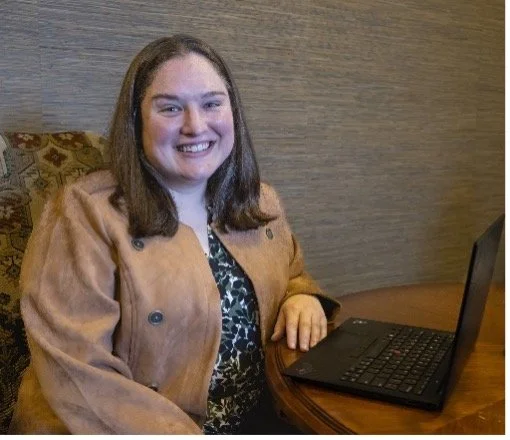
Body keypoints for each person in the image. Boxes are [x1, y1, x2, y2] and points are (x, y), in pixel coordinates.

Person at [9, 34, 340, 434]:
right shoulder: (82, 213)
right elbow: (76, 371)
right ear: (136, 121)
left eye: (212, 103)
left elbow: (291, 273)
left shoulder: (259, 202)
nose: (195, 125)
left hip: (261, 417)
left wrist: (302, 297)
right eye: (170, 107)